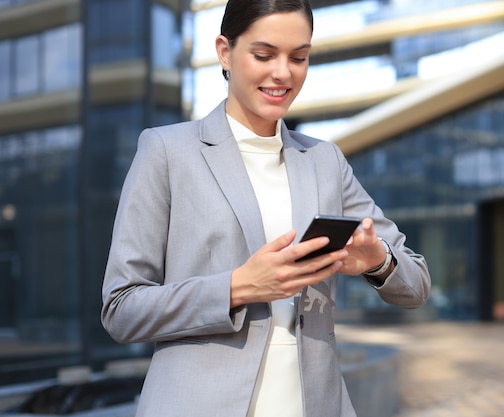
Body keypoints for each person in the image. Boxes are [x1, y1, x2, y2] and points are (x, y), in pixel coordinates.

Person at [101, 0, 430, 416]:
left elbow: (416, 283)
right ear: (225, 52)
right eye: (264, 55)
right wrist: (238, 287)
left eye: (299, 57)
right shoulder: (167, 152)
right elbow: (121, 309)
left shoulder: (325, 161)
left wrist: (376, 260)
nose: (283, 73)